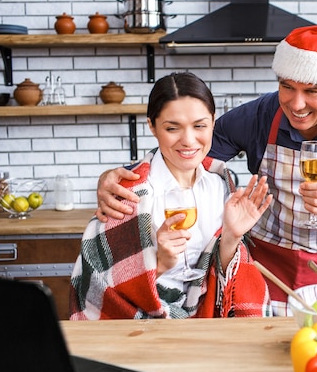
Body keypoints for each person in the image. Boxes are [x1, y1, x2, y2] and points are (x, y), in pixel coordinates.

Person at [95, 26, 317, 316]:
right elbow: (189, 151)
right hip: (269, 265)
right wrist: (130, 174)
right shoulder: (259, 115)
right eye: (287, 87)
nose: (296, 103)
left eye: (312, 91)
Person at [70, 72, 273, 320]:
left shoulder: (221, 186)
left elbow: (222, 276)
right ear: (152, 127)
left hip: (207, 326)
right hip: (143, 330)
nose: (188, 140)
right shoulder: (127, 194)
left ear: (213, 123)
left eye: (200, 126)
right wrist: (160, 263)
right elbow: (98, 288)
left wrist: (232, 236)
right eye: (172, 128)